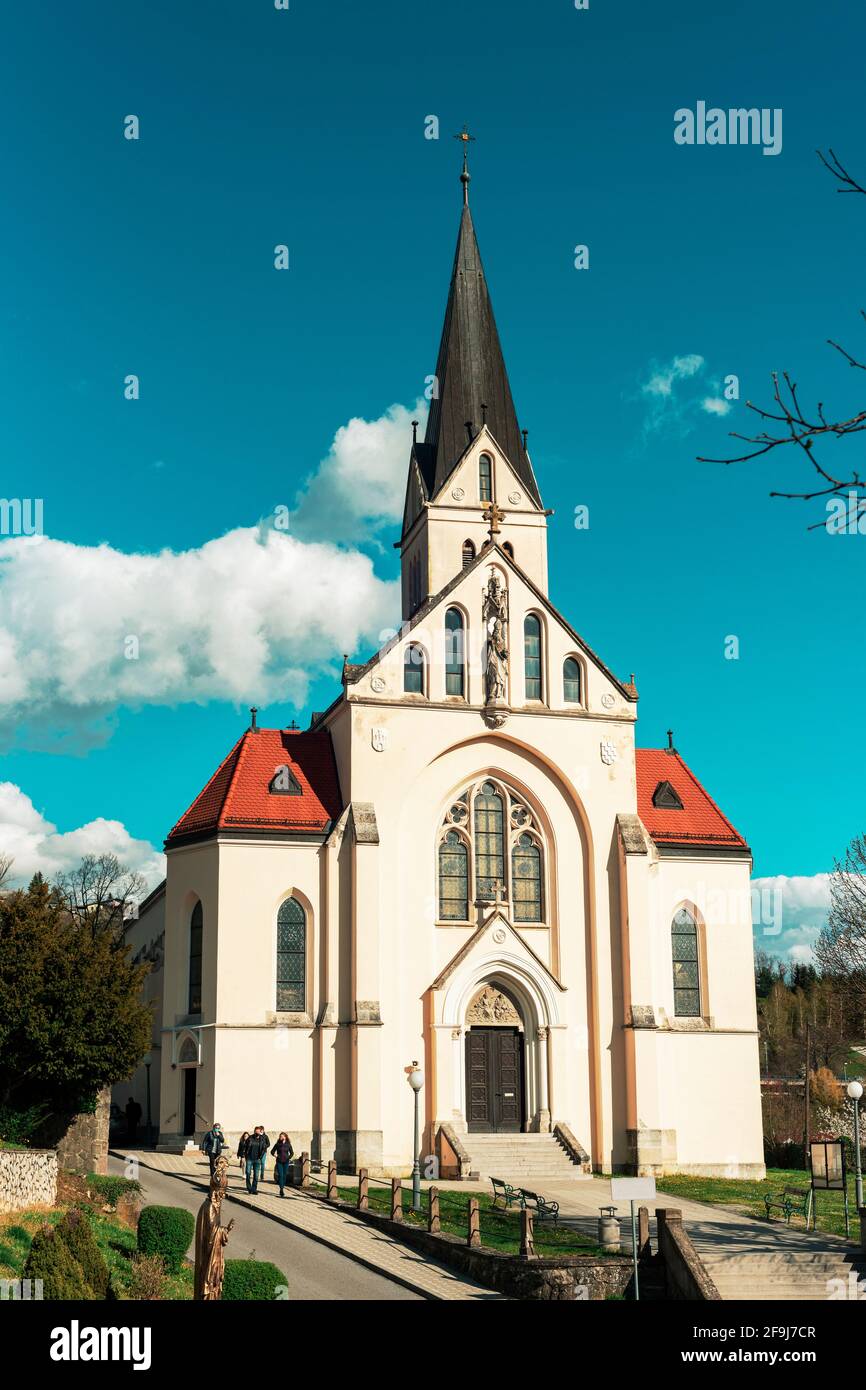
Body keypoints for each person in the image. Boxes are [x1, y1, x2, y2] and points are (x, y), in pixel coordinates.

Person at [244, 1126, 269, 1194]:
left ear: (260, 1132)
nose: (257, 1133)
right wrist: (246, 1156)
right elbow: (245, 1147)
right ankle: (249, 1188)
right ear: (254, 1131)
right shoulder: (250, 1138)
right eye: (256, 1131)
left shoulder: (262, 1139)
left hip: (257, 1160)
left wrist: (261, 1157)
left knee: (256, 1175)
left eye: (258, 1131)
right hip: (249, 1159)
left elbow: (264, 1148)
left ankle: (254, 1189)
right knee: (248, 1173)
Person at [270, 1132, 294, 1197]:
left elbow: (292, 1153)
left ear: (285, 1137)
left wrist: (288, 1158)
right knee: (280, 1175)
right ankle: (281, 1189)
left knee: (284, 1175)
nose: (281, 1137)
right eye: (280, 1136)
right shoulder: (277, 1144)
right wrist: (276, 1156)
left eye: (282, 1136)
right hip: (279, 1161)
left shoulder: (288, 1144)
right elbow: (272, 1151)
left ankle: (282, 1187)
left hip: (286, 1162)